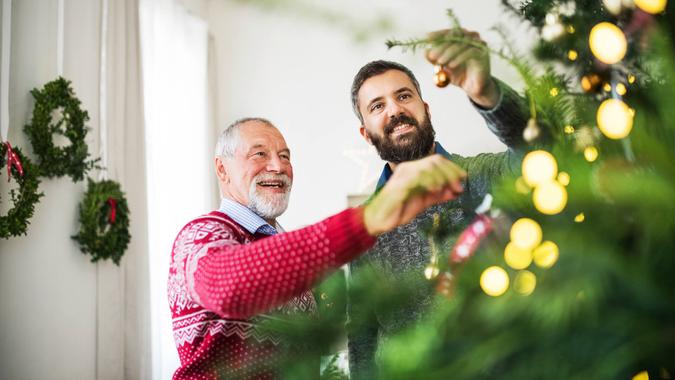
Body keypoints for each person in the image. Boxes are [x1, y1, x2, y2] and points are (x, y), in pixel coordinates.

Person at [168, 117, 468, 379]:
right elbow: (227, 286)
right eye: (260, 154)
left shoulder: (288, 255)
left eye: (285, 156)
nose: (278, 166)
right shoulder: (201, 235)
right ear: (222, 169)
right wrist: (367, 219)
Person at [347, 29, 529, 378]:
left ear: (425, 108)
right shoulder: (362, 225)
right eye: (377, 106)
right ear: (365, 133)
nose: (395, 110)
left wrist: (486, 92)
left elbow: (537, 154)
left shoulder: (483, 174)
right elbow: (363, 334)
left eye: (404, 96)